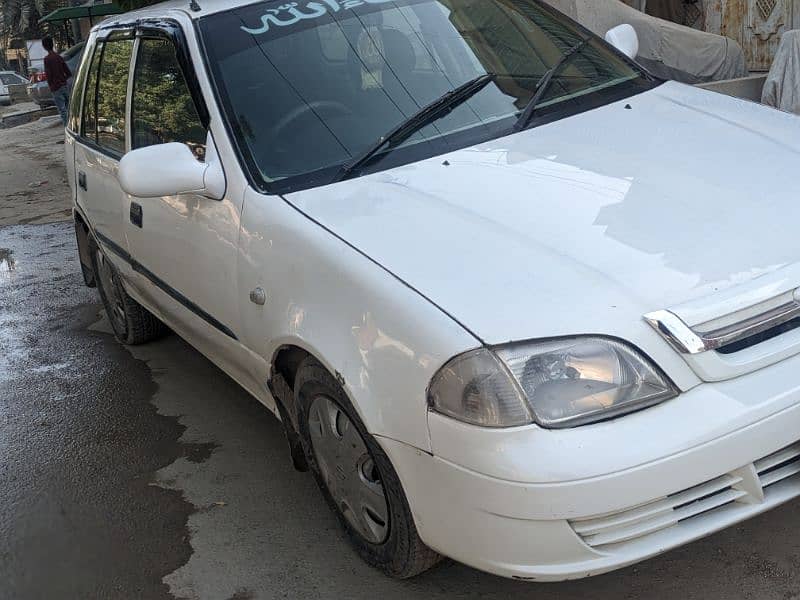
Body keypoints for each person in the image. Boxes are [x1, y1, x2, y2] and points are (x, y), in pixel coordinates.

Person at [42, 37, 72, 126]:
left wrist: (51, 86)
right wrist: (63, 80)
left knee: (62, 110)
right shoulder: (59, 57)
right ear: (52, 44)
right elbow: (68, 72)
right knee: (69, 108)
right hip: (64, 86)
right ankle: (74, 126)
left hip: (56, 88)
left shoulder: (47, 59)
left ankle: (67, 127)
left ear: (44, 47)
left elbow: (49, 75)